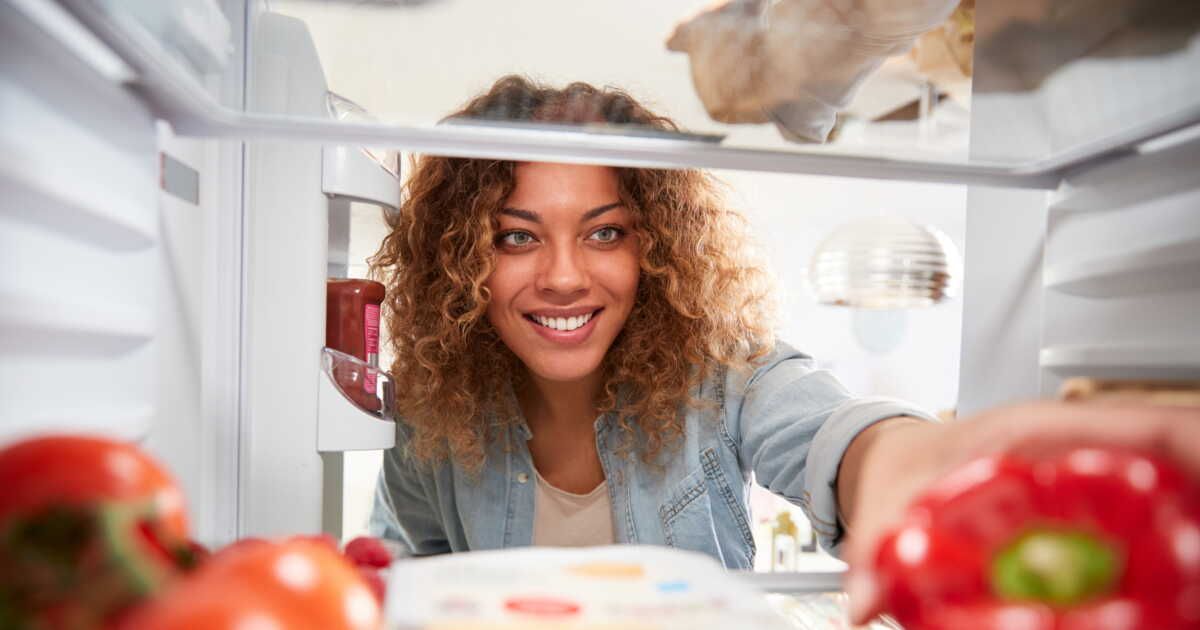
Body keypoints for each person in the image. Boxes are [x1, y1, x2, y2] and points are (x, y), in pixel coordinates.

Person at [367, 75, 1200, 624]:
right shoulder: (433, 407)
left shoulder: (722, 375)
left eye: (605, 233)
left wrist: (907, 462)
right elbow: (413, 568)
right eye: (516, 237)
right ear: (461, 257)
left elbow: (832, 431)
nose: (563, 276)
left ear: (653, 248)